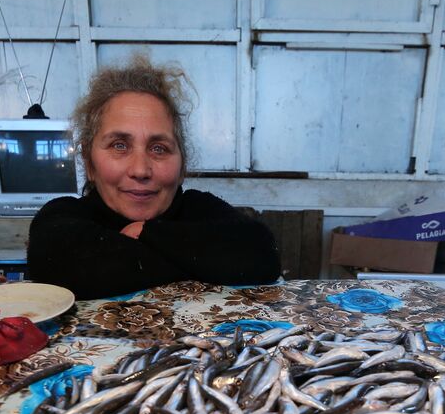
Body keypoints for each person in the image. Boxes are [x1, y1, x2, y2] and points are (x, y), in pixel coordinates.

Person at [26, 56, 280, 300]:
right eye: (119, 145)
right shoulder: (62, 217)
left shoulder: (197, 207)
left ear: (182, 166)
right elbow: (54, 265)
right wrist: (204, 260)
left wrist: (150, 233)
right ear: (88, 161)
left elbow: (262, 252)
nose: (140, 170)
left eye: (159, 148)